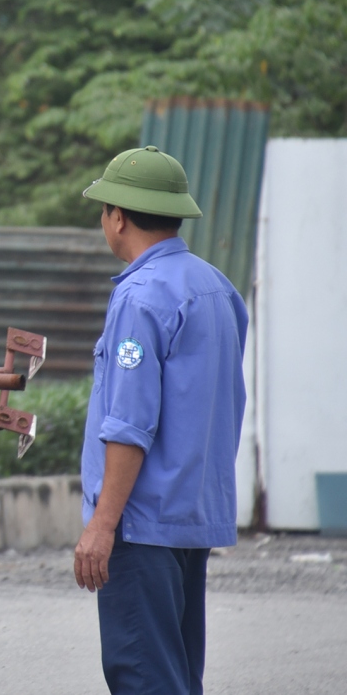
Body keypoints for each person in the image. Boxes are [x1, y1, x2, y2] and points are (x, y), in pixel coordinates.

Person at [74, 146, 249, 694]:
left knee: (144, 677)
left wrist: (102, 527)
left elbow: (129, 423)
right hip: (189, 515)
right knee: (176, 676)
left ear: (118, 216)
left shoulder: (141, 296)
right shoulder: (217, 288)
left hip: (140, 522)